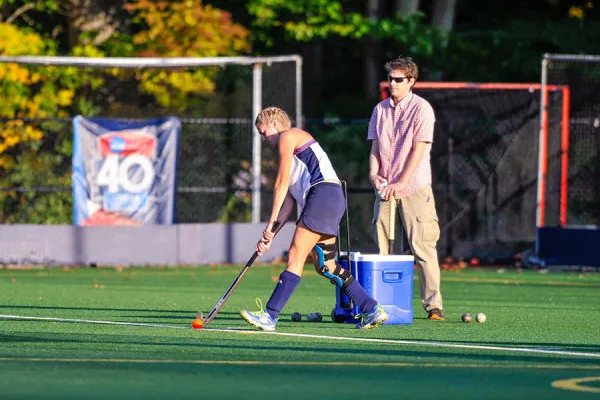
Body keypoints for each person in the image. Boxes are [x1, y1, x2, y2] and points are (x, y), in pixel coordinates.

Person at [240, 106, 388, 331]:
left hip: (323, 195)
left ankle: (269, 316)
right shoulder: (290, 157)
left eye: (263, 132)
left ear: (275, 125)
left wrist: (269, 224)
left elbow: (280, 184)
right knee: (326, 265)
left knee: (295, 255)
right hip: (328, 200)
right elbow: (288, 204)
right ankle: (371, 309)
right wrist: (269, 235)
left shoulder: (289, 136)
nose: (263, 139)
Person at [368, 56, 445, 320]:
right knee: (385, 249)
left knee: (422, 247)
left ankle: (434, 305)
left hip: (414, 188)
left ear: (411, 81)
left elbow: (419, 149)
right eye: (390, 78)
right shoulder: (380, 110)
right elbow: (375, 147)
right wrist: (373, 174)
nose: (393, 83)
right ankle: (386, 306)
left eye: (398, 79)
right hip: (386, 190)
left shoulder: (422, 109)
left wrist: (402, 181)